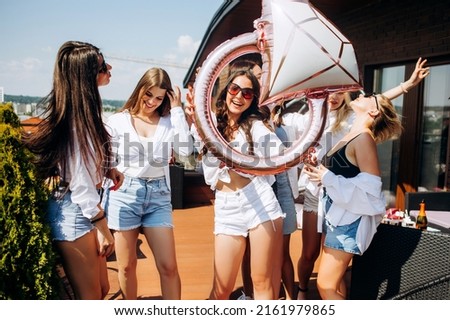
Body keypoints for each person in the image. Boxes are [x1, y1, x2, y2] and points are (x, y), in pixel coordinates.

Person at [298, 58, 430, 300]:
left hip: (347, 221)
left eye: (369, 96)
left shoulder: (363, 138)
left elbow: (371, 190)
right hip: (336, 216)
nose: (363, 94)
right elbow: (339, 172)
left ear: (373, 111)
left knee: (326, 287)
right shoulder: (352, 133)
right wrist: (318, 171)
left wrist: (406, 86)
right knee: (333, 286)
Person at [23, 40, 123, 299]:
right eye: (102, 66)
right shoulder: (75, 123)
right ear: (86, 77)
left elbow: (85, 163)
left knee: (102, 289)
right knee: (89, 298)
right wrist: (104, 229)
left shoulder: (84, 114)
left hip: (84, 209)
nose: (109, 67)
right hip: (76, 213)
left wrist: (107, 170)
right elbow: (79, 183)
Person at [185, 69, 285, 300]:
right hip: (227, 206)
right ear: (226, 91)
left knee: (261, 283)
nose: (239, 96)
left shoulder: (255, 126)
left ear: (253, 100)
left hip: (259, 201)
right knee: (221, 289)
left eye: (248, 93)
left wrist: (243, 162)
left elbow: (279, 156)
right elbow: (190, 144)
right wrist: (193, 115)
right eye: (235, 89)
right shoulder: (210, 123)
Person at [103, 67, 193, 300]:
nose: (152, 101)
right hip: (124, 194)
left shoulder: (168, 121)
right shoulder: (117, 121)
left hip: (158, 195)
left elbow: (185, 150)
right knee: (126, 266)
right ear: (140, 89)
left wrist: (177, 111)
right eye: (149, 94)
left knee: (169, 267)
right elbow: (105, 164)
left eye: (159, 97)